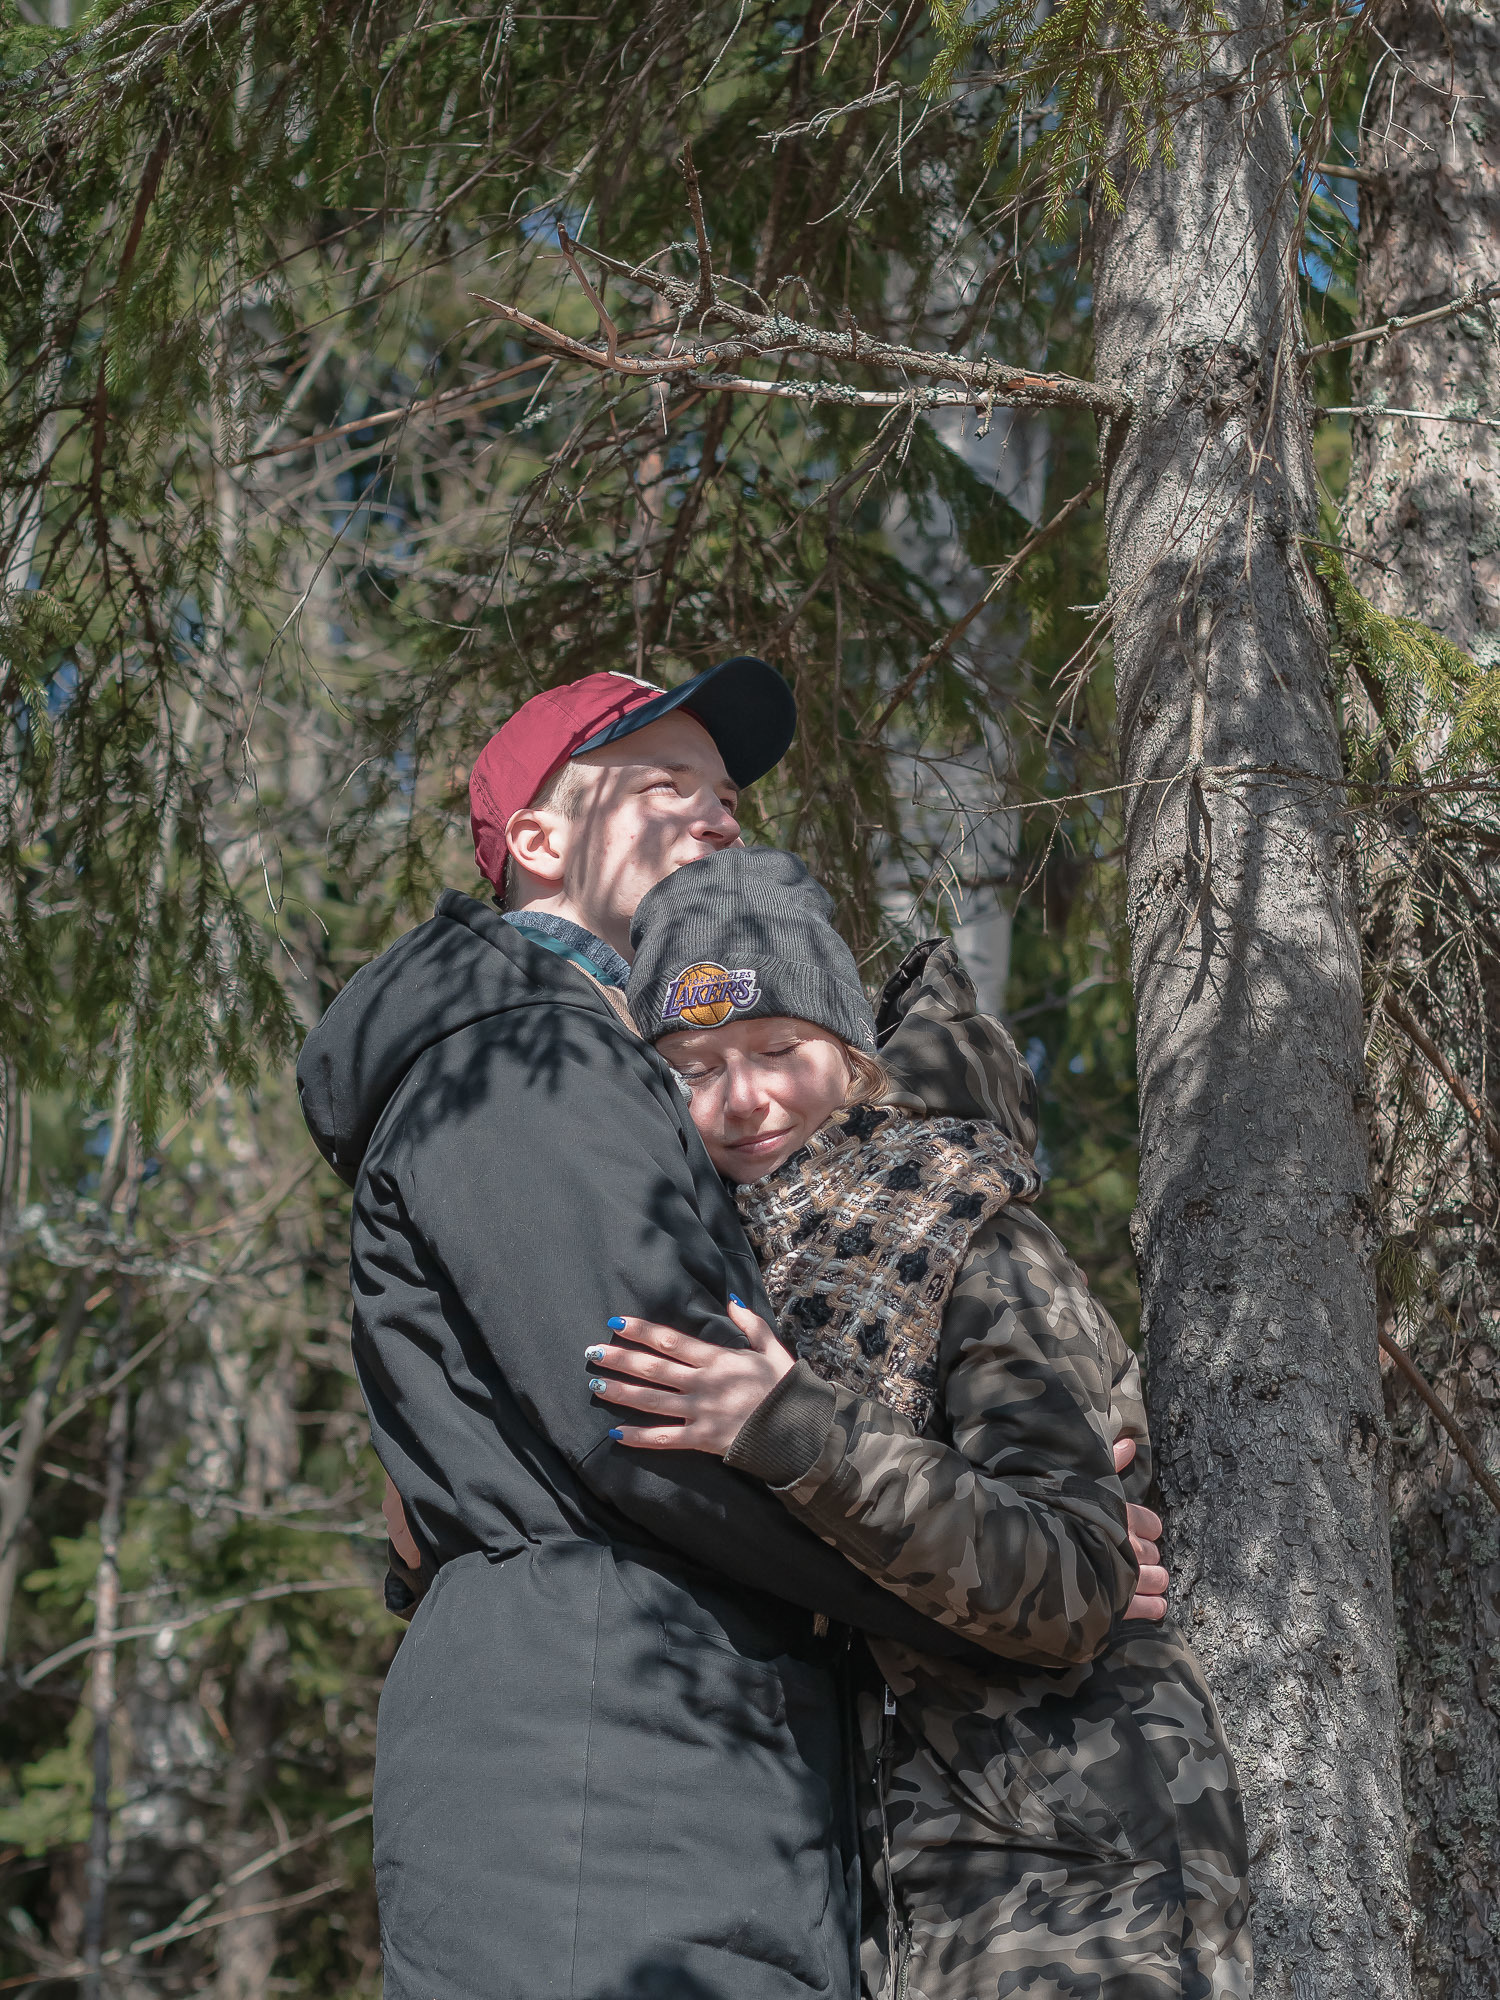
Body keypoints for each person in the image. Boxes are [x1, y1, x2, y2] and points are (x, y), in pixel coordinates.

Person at [296, 662, 1147, 2000]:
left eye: (728, 798)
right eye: (663, 786)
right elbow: (650, 1421)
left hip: (676, 1767)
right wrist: (1009, 1590)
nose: (716, 816)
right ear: (536, 839)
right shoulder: (527, 1040)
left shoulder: (610, 1070)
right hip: (602, 1773)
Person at [587, 845, 1254, 2000]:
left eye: (777, 1051)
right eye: (691, 1069)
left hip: (1070, 1875)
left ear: (850, 1060)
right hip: (890, 1888)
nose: (740, 1099)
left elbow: (1070, 1577)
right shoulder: (737, 1269)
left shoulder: (972, 1236)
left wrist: (790, 1427)